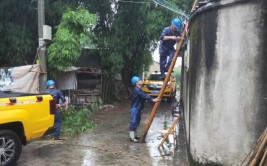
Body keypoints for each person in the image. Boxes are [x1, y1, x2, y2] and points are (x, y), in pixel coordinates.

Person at [129, 76, 161, 143]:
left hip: (138, 108)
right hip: (135, 108)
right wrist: (152, 99)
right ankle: (132, 137)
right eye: (139, 80)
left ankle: (135, 135)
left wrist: (151, 99)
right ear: (136, 83)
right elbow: (143, 95)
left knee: (137, 122)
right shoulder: (136, 90)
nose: (141, 80)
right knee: (134, 122)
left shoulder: (140, 89)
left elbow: (144, 95)